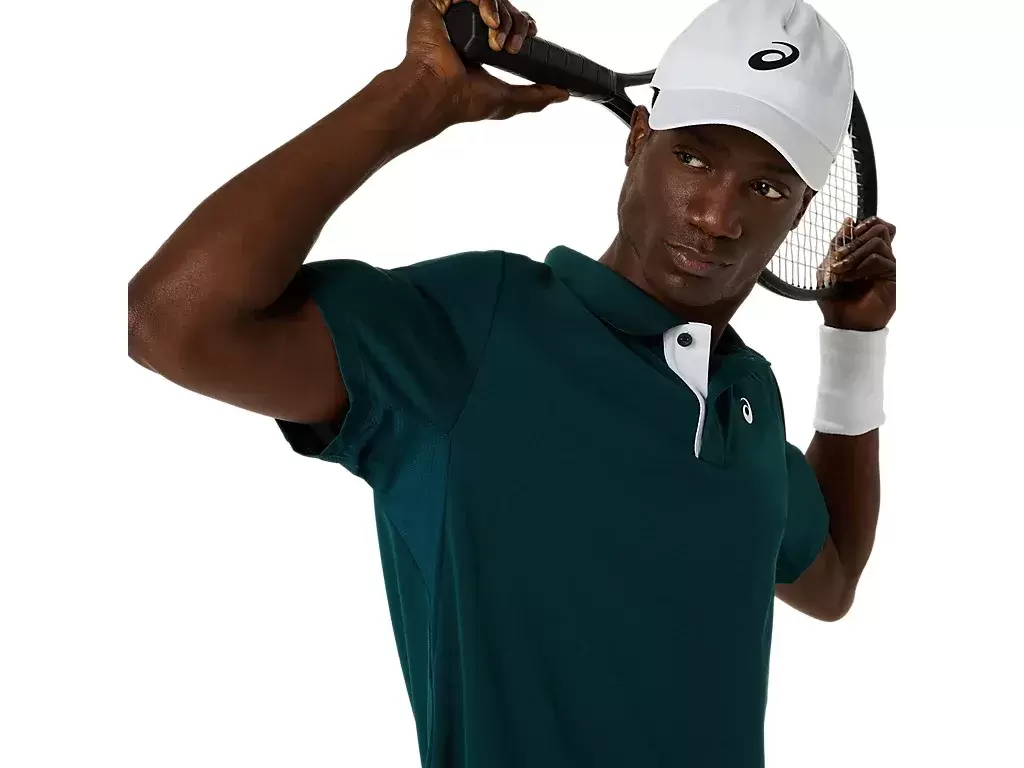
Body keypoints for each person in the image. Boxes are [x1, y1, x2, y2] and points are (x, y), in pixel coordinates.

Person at [128, 0, 896, 764]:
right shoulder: (476, 334)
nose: (717, 217)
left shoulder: (746, 401)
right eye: (693, 158)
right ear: (638, 139)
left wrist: (856, 341)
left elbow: (830, 579)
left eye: (767, 189)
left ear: (800, 211)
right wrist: (411, 95)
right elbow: (170, 324)